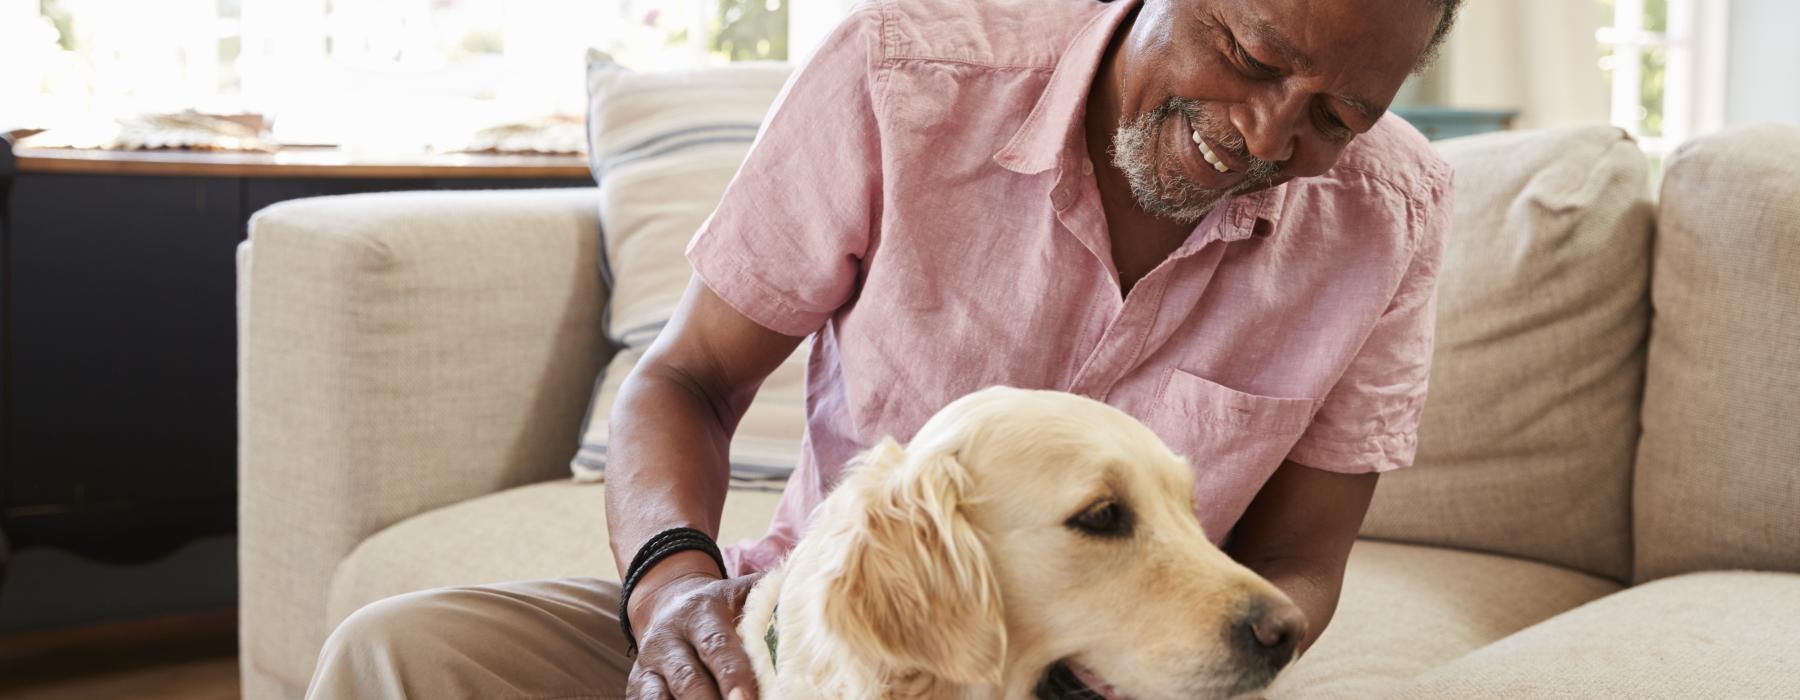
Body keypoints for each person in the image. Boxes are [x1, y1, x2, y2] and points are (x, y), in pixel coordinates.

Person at [305, 0, 1464, 697]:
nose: (1265, 131)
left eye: (1333, 117)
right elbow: (688, 380)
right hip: (825, 626)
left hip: (1116, 676)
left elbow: (1301, 560)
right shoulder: (904, 72)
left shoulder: (1391, 213)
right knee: (403, 654)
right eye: (1250, 55)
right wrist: (671, 599)